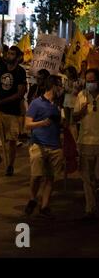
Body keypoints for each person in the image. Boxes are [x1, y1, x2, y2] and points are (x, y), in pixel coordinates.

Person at [24, 75, 64, 219]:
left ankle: (45, 205)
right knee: (36, 176)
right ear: (53, 86)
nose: (61, 88)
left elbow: (60, 124)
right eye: (59, 85)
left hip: (55, 146)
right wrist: (42, 123)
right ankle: (32, 199)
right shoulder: (36, 103)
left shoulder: (58, 105)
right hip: (38, 145)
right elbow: (27, 124)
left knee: (50, 177)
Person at [0, 45, 28, 176]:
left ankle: (10, 165)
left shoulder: (20, 72)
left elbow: (20, 93)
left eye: (12, 54)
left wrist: (2, 101)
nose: (8, 56)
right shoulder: (1, 68)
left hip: (13, 111)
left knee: (12, 140)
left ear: (17, 57)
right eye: (8, 53)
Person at [73, 68, 99, 221]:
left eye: (92, 81)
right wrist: (81, 112)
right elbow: (75, 117)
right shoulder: (82, 96)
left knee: (96, 178)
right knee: (87, 179)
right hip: (85, 142)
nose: (89, 84)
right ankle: (90, 209)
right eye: (87, 82)